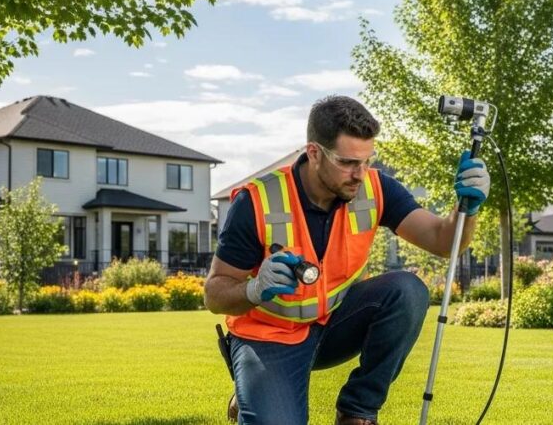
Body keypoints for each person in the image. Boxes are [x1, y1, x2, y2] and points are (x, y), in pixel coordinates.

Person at [204, 95, 490, 425]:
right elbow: (214, 294)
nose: (360, 174)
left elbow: (443, 241)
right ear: (314, 153)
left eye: (367, 161)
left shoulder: (375, 188)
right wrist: (254, 289)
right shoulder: (257, 201)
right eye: (348, 163)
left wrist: (467, 208)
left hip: (333, 326)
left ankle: (357, 412)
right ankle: (254, 388)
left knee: (408, 290)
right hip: (269, 337)